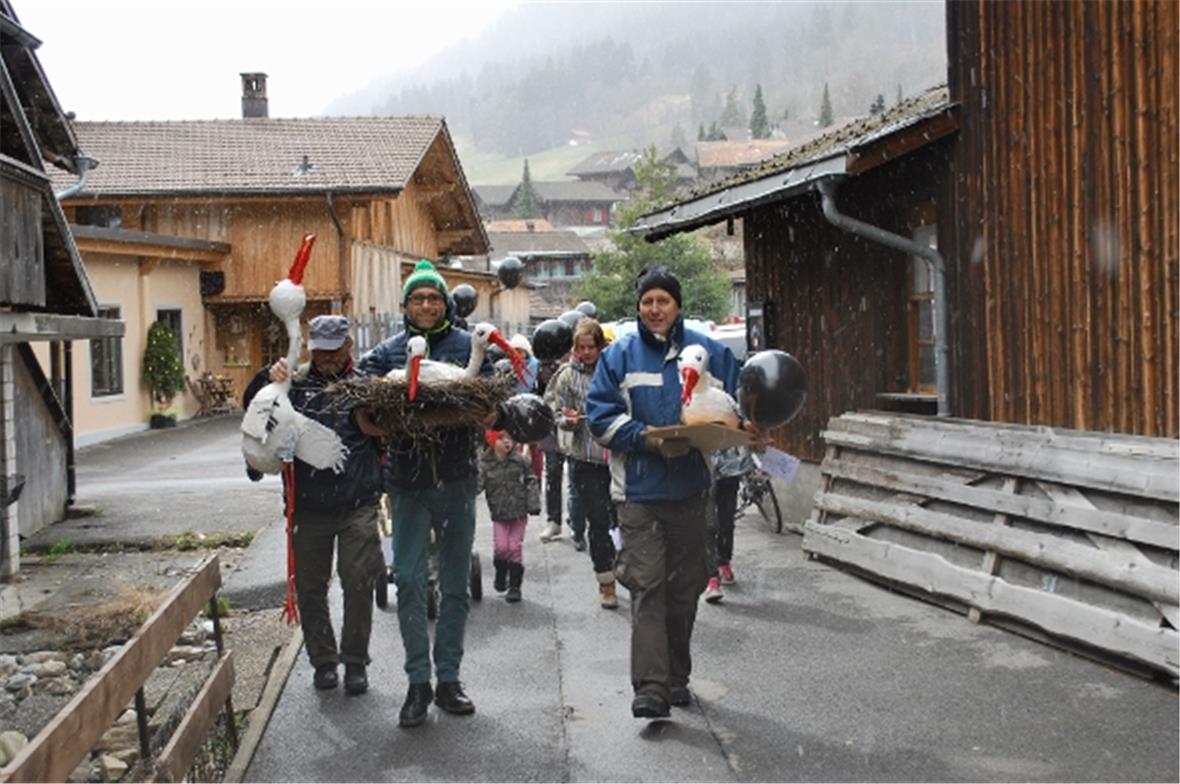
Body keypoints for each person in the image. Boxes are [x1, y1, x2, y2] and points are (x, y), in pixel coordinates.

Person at [585, 264, 742, 719]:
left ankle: (676, 677)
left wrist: (750, 424)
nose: (655, 309)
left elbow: (738, 401)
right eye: (647, 301)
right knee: (648, 586)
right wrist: (646, 438)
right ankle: (651, 687)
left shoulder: (709, 351)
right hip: (637, 492)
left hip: (691, 490)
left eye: (663, 301)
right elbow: (600, 416)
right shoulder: (619, 356)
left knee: (685, 588)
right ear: (639, 307)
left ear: (678, 306)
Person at [357, 259, 491, 728]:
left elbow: (495, 394)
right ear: (407, 305)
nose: (428, 305)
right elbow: (360, 398)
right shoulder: (387, 353)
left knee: (455, 583)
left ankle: (449, 678)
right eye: (419, 299)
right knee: (411, 580)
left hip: (456, 480)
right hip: (407, 483)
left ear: (445, 304)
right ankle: (418, 682)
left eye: (434, 298)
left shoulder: (467, 348)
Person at [243, 315, 384, 696]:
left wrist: (382, 483)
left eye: (334, 350)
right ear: (310, 348)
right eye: (320, 350)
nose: (327, 357)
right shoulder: (292, 384)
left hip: (357, 502)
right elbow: (256, 413)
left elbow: (388, 435)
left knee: (359, 581)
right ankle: (323, 660)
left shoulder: (365, 388)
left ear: (348, 346)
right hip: (307, 505)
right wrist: (265, 378)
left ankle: (355, 661)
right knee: (310, 588)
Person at [544, 317, 618, 609]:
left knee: (624, 519)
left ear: (600, 346)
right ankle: (606, 582)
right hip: (585, 459)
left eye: (591, 347)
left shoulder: (614, 368)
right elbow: (553, 408)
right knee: (598, 522)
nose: (586, 353)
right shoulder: (565, 375)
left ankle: (625, 567)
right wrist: (567, 419)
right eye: (581, 348)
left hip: (618, 457)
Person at [478, 429, 541, 603]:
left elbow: (531, 480)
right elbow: (478, 484)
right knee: (501, 547)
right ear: (492, 441)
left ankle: (515, 586)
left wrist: (533, 503)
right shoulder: (485, 464)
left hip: (519, 512)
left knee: (515, 547)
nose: (507, 442)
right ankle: (501, 571)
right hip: (499, 513)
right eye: (501, 438)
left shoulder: (520, 461)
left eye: (510, 438)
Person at [702, 445, 755, 604]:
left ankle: (724, 561)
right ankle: (712, 578)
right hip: (704, 467)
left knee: (726, 521)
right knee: (708, 524)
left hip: (730, 469)